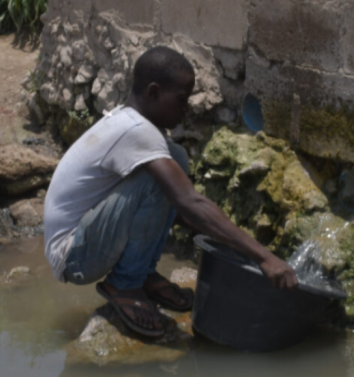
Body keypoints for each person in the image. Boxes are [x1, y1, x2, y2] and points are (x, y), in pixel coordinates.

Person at [43, 46, 298, 337]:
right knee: (158, 182)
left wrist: (228, 242)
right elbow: (188, 202)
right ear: (153, 93)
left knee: (174, 158)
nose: (186, 108)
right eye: (181, 100)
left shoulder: (134, 124)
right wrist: (264, 257)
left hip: (87, 239)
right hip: (73, 256)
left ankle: (142, 274)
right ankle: (125, 284)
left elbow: (178, 211)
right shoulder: (137, 131)